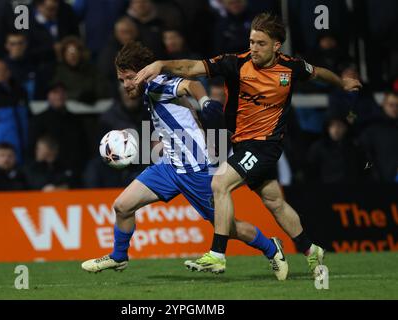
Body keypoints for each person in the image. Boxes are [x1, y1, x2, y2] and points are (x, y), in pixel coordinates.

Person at [135, 12, 362, 278]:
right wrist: (161, 64)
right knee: (274, 201)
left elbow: (319, 72)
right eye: (252, 42)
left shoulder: (291, 67)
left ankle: (217, 255)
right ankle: (311, 250)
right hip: (241, 143)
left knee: (220, 183)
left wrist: (342, 82)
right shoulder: (235, 63)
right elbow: (190, 68)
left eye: (260, 43)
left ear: (277, 46)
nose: (253, 48)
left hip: (265, 145)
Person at [81, 42, 288, 280]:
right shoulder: (149, 90)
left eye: (129, 78)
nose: (126, 85)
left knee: (228, 228)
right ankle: (119, 256)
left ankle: (272, 248)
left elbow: (192, 84)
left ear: (142, 72)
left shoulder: (158, 83)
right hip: (169, 166)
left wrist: (205, 103)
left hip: (196, 170)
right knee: (122, 206)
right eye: (121, 80)